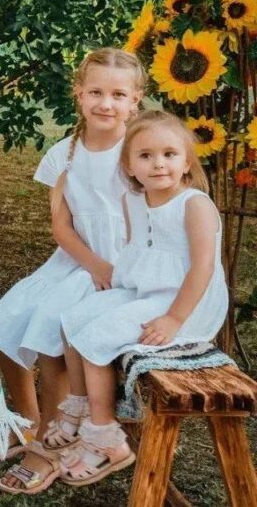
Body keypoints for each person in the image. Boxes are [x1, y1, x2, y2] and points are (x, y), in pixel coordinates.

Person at [0, 48, 145, 495]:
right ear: (79, 94)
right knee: (4, 320)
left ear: (135, 100)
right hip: (78, 259)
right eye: (95, 92)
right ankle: (31, 420)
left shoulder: (137, 150)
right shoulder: (66, 153)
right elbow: (61, 225)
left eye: (118, 95)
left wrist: (112, 270)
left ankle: (51, 444)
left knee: (49, 325)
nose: (106, 104)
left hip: (124, 266)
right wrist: (92, 264)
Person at [59, 110, 228, 486]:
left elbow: (202, 269)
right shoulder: (132, 200)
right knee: (72, 319)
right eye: (146, 155)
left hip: (184, 306)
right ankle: (83, 407)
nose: (158, 164)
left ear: (187, 162)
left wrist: (174, 318)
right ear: (129, 166)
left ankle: (106, 438)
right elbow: (140, 251)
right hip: (146, 294)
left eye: (169, 154)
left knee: (96, 337)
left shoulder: (194, 205)